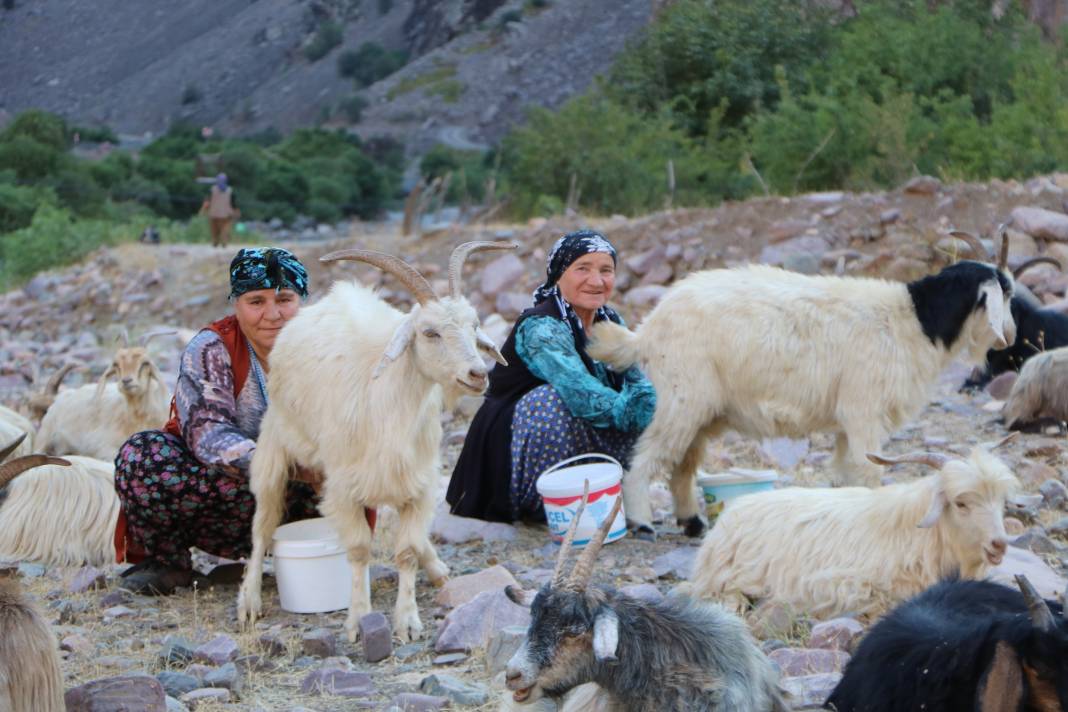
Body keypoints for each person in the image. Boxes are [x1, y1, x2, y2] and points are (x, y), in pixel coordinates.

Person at [114, 247, 319, 594]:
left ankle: (327, 557)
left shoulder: (328, 346)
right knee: (141, 455)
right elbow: (208, 433)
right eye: (256, 302)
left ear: (301, 300)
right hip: (233, 494)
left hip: (305, 497)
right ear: (236, 305)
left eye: (284, 299)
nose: (272, 314)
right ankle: (168, 564)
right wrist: (286, 465)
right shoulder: (212, 348)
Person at [446, 229, 656, 523]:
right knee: (551, 401)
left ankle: (599, 495)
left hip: (581, 431)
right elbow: (584, 397)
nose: (596, 281)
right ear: (559, 274)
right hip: (511, 449)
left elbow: (635, 379)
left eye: (606, 270)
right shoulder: (541, 327)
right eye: (582, 268)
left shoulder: (610, 320)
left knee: (646, 401)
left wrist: (653, 404)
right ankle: (542, 504)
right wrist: (643, 408)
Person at [200, 173, 239, 248]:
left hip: (214, 213)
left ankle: (215, 241)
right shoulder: (230, 190)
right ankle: (223, 241)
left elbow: (207, 202)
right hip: (226, 214)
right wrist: (236, 211)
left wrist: (203, 210)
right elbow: (233, 203)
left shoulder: (212, 190)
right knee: (225, 229)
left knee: (214, 230)